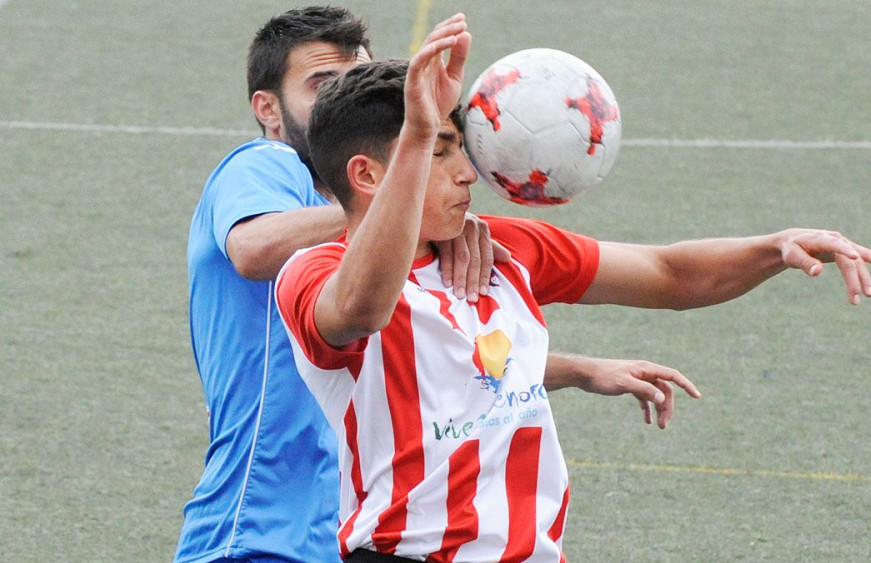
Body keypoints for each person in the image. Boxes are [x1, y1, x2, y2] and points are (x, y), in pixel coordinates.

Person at [275, 15, 871, 562]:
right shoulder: (311, 275)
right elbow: (362, 308)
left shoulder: (502, 251)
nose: (469, 173)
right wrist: (414, 134)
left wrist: (773, 247)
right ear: (366, 174)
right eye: (440, 153)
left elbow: (669, 275)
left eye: (460, 148)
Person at [178, 7, 697, 563]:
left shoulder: (393, 246)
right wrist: (405, 203)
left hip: (349, 530)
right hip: (259, 528)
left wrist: (578, 368)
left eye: (356, 76)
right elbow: (254, 248)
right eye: (322, 82)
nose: (343, 91)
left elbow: (426, 364)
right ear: (268, 108)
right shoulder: (265, 164)